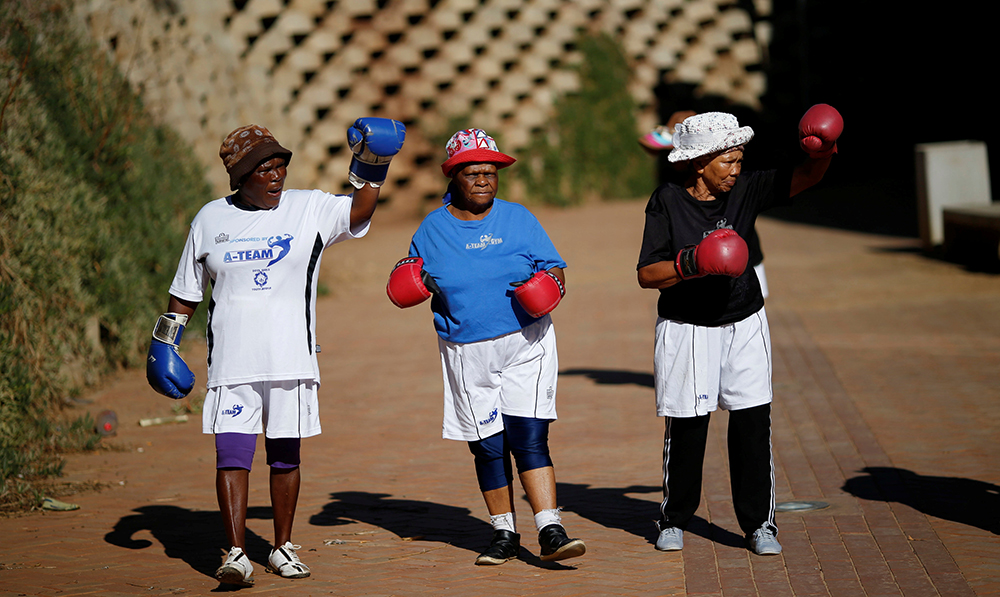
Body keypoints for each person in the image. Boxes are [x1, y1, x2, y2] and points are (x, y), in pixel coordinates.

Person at [145, 119, 406, 586]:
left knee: (285, 455)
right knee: (232, 455)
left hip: (291, 359)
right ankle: (237, 554)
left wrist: (373, 163)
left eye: (280, 165)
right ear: (240, 178)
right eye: (263, 169)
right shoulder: (210, 219)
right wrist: (164, 340)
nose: (276, 176)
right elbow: (187, 291)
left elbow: (360, 213)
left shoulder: (308, 208)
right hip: (231, 362)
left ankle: (282, 547)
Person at [636, 106, 843, 555]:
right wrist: (693, 262)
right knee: (688, 426)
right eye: (727, 160)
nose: (736, 169)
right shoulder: (667, 201)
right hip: (687, 326)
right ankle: (673, 519)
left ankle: (759, 525)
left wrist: (824, 149)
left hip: (744, 319)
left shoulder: (746, 189)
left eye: (739, 158)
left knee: (752, 422)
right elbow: (647, 274)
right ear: (698, 162)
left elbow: (807, 176)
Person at [385, 128, 586, 566]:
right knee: (488, 444)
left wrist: (550, 287)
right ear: (454, 176)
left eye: (490, 172)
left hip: (526, 340)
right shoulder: (432, 229)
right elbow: (409, 280)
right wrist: (412, 284)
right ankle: (503, 534)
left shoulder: (518, 218)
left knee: (529, 436)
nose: (483, 180)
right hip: (465, 349)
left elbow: (555, 269)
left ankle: (550, 528)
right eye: (473, 172)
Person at [640, 110, 770, 299]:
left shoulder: (719, 163)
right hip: (697, 270)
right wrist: (670, 137)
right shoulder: (674, 188)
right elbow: (647, 143)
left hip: (742, 255)